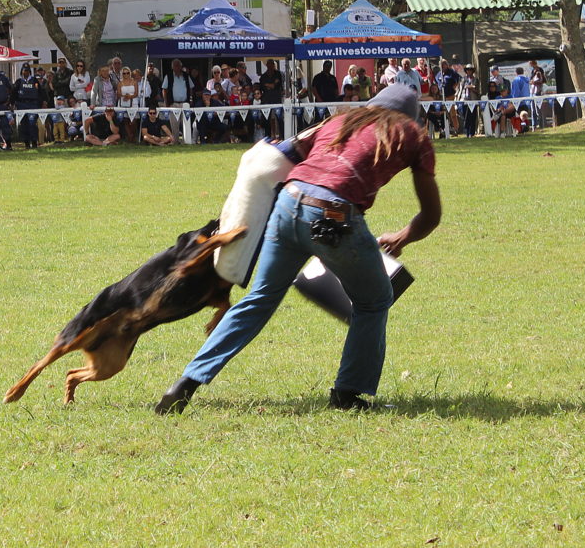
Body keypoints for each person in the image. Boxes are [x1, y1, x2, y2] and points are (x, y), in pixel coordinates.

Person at [155, 84, 441, 414]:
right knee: (375, 300)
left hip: (287, 204)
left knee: (260, 298)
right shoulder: (412, 133)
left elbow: (279, 155)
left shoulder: (339, 120)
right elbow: (431, 215)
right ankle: (347, 395)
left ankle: (186, 383)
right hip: (335, 215)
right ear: (412, 115)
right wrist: (403, 236)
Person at [460, 65, 480, 138]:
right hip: (464, 99)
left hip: (473, 99)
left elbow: (477, 90)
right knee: (465, 116)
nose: (469, 71)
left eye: (470, 70)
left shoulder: (475, 79)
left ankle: (472, 133)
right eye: (467, 70)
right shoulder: (463, 79)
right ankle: (466, 132)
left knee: (472, 116)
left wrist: (471, 88)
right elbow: (461, 87)